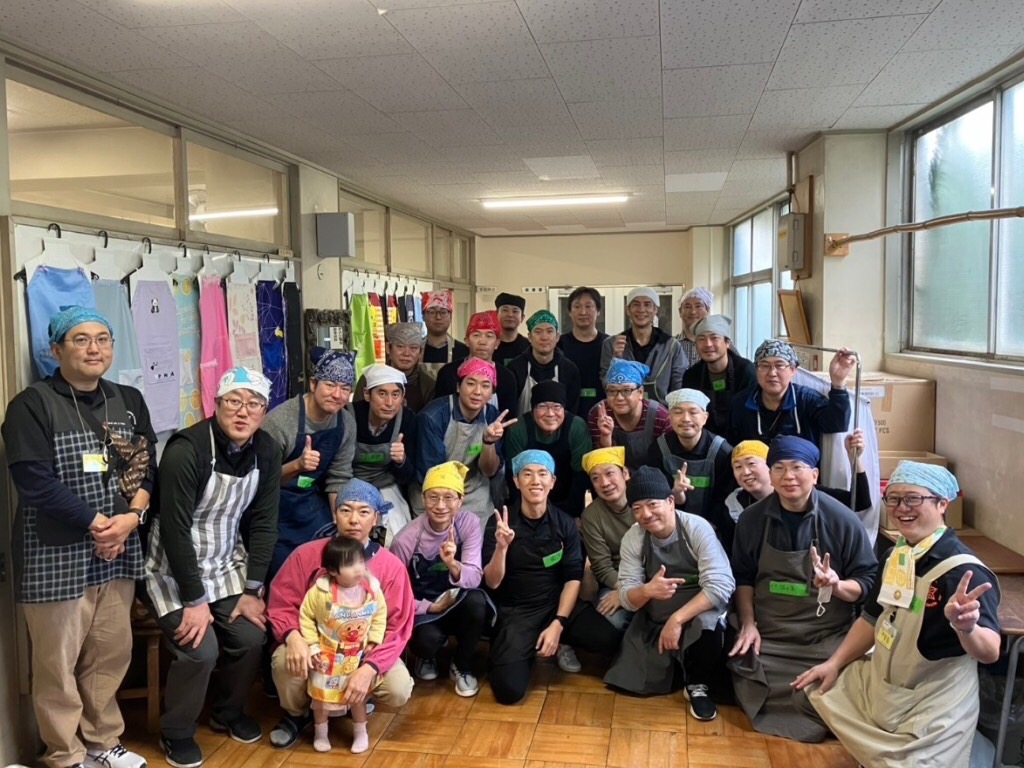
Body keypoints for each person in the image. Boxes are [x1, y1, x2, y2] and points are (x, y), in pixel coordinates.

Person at [2, 307, 155, 768]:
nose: (94, 349)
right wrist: (98, 523)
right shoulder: (31, 405)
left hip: (118, 550)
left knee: (110, 652)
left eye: (103, 339)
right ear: (56, 349)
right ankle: (64, 754)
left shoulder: (128, 399)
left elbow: (146, 466)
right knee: (57, 662)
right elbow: (35, 482)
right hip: (53, 553)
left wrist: (131, 518)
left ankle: (102, 742)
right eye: (81, 339)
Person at [793, 462, 1000, 767]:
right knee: (811, 689)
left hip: (934, 701)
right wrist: (833, 664)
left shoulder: (962, 571)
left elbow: (990, 652)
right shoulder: (896, 555)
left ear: (942, 504)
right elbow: (872, 617)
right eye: (893, 498)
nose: (902, 508)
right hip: (885, 685)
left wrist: (966, 628)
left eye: (913, 498)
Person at [142, 367, 282, 767]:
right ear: (216, 404)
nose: (243, 411)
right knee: (200, 649)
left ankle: (227, 712)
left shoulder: (267, 450)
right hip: (170, 568)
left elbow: (264, 522)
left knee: (251, 636)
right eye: (233, 401)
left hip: (224, 561)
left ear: (263, 412)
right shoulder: (187, 450)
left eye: (253, 404)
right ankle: (176, 731)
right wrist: (194, 599)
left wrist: (253, 589)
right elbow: (174, 529)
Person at [728, 435, 876, 742]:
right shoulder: (752, 520)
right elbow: (743, 577)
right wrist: (748, 624)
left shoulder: (842, 520)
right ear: (770, 475)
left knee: (840, 678)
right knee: (738, 659)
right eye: (779, 468)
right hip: (771, 634)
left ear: (815, 474)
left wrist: (837, 585)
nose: (788, 476)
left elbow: (868, 582)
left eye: (797, 467)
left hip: (823, 635)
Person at [267, 480, 414, 749]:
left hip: (362, 650)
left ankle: (354, 701)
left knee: (398, 687)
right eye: (346, 510)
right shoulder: (306, 555)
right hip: (316, 647)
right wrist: (293, 637)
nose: (354, 520)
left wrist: (370, 667)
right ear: (335, 514)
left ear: (376, 518)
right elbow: (281, 603)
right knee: (285, 662)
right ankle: (298, 713)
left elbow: (399, 626)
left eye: (363, 512)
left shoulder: (390, 567)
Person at [482, 450, 622, 704]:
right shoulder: (500, 522)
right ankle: (519, 649)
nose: (535, 481)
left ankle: (560, 641)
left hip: (557, 604)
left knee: (608, 638)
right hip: (518, 611)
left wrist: (558, 622)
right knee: (508, 691)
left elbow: (572, 578)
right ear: (516, 481)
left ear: (553, 481)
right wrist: (501, 548)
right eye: (527, 474)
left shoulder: (564, 523)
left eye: (542, 474)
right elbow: (492, 582)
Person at [604, 467, 735, 721]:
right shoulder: (633, 538)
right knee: (633, 678)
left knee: (709, 628)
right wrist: (646, 590)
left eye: (652, 504)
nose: (646, 514)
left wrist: (677, 619)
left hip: (698, 612)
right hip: (656, 618)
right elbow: (627, 597)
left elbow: (721, 585)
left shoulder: (697, 528)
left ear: (671, 501)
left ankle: (697, 685)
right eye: (637, 508)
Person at [390, 461, 492, 698]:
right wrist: (430, 607)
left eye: (449, 497)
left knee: (478, 603)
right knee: (426, 641)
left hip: (457, 603)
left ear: (461, 500)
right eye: (433, 497)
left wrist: (452, 564)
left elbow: (474, 578)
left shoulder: (469, 524)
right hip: (423, 609)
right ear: (422, 499)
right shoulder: (405, 540)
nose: (441, 505)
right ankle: (427, 656)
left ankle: (461, 664)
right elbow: (394, 597)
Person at [262, 349, 357, 579]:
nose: (337, 395)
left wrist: (339, 520)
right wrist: (297, 465)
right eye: (330, 385)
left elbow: (338, 477)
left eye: (345, 388)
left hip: (310, 500)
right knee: (283, 573)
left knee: (325, 563)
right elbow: (261, 480)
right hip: (272, 504)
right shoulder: (280, 422)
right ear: (313, 384)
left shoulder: (346, 423)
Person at [299, 536, 386, 754]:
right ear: (332, 570)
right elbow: (306, 617)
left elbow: (380, 615)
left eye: (360, 561)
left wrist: (374, 639)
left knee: (357, 697)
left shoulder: (371, 590)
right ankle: (321, 732)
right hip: (326, 655)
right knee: (320, 699)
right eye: (349, 564)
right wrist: (312, 645)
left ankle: (361, 731)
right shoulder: (320, 593)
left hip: (356, 655)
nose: (358, 568)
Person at [417, 358, 516, 525]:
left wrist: (488, 442)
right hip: (435, 489)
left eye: (485, 386)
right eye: (470, 383)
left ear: (492, 393)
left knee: (481, 533)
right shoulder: (433, 417)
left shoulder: (492, 416)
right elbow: (431, 471)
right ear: (458, 386)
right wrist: (452, 502)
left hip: (475, 488)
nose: (477, 391)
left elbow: (489, 471)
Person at [646, 388, 736, 552]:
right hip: (671, 527)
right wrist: (675, 493)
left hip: (713, 529)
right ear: (669, 417)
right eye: (678, 412)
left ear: (705, 417)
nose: (686, 418)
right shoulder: (659, 449)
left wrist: (709, 526)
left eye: (693, 412)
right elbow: (654, 494)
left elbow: (726, 497)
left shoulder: (722, 452)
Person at [724, 432, 874, 525]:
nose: (745, 472)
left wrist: (854, 459)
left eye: (751, 463)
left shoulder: (811, 494)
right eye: (738, 467)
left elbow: (859, 502)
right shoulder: (734, 504)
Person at [731, 340, 854, 449]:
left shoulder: (807, 400)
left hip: (798, 467)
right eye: (764, 365)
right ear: (756, 369)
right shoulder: (740, 404)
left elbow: (837, 424)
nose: (772, 373)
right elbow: (733, 447)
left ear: (793, 370)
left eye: (779, 365)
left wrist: (838, 382)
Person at [348, 363, 418, 543]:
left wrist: (401, 461)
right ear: (367, 394)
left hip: (386, 485)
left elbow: (409, 476)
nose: (389, 403)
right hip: (350, 484)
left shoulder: (407, 419)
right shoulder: (348, 416)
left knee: (396, 538)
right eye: (382, 394)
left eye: (395, 395)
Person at [503, 379, 591, 517]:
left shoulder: (577, 427)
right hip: (527, 499)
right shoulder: (518, 429)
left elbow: (580, 476)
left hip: (567, 498)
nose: (550, 413)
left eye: (557, 407)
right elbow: (513, 477)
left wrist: (571, 515)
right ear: (533, 409)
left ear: (564, 409)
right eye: (542, 406)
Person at [600, 287, 686, 404]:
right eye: (636, 304)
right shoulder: (611, 344)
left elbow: (679, 387)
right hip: (623, 411)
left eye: (647, 304)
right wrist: (616, 361)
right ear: (627, 310)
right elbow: (606, 385)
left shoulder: (671, 346)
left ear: (655, 310)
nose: (641, 309)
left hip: (662, 411)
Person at [579, 448, 634, 632]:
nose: (604, 483)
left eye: (610, 473)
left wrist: (643, 591)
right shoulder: (591, 516)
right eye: (596, 478)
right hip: (617, 582)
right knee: (611, 620)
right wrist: (629, 592)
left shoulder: (643, 501)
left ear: (625, 473)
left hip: (653, 576)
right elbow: (602, 568)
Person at [587, 359, 671, 470]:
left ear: (640, 392)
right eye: (612, 391)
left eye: (626, 391)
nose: (619, 398)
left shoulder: (660, 416)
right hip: (615, 474)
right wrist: (605, 437)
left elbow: (668, 461)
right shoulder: (598, 414)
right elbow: (601, 464)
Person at [681, 315, 756, 436]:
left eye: (714, 338)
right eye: (701, 339)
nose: (708, 344)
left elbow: (753, 414)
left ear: (727, 343)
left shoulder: (746, 371)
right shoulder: (691, 375)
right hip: (706, 440)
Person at [434, 310, 519, 417]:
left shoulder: (507, 377)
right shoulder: (448, 373)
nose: (482, 342)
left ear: (497, 343)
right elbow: (438, 412)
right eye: (476, 335)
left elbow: (509, 419)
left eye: (489, 336)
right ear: (466, 341)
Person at [508, 309, 582, 416]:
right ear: (529, 337)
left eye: (549, 331)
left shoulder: (569, 370)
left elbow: (571, 412)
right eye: (538, 332)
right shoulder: (515, 368)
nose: (544, 337)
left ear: (557, 337)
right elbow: (510, 411)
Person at [354, 323, 433, 413]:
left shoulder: (428, 385)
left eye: (413, 348)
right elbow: (356, 414)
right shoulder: (369, 379)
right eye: (400, 346)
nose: (406, 353)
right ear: (388, 348)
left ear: (420, 352)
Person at [558, 286, 609, 418]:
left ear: (598, 311)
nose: (583, 312)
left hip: (604, 414)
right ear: (569, 312)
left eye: (588, 306)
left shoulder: (608, 344)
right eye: (577, 306)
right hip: (566, 414)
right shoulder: (559, 344)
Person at [420, 290, 468, 382]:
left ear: (451, 316)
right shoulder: (414, 350)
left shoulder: (464, 351)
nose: (438, 317)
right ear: (423, 316)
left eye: (443, 312)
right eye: (432, 312)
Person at [675, 287, 713, 367]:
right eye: (687, 307)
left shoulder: (719, 344)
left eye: (698, 306)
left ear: (708, 310)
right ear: (680, 312)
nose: (693, 312)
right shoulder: (671, 345)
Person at [494, 291, 530, 365]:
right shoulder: (488, 345)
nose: (510, 314)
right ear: (496, 314)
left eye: (515, 311)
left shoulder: (529, 347)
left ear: (522, 317)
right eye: (505, 310)